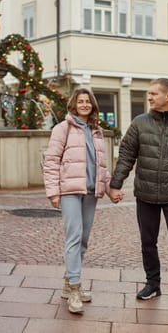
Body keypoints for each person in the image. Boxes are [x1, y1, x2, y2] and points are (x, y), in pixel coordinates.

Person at [109, 78, 168, 313]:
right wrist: (115, 184)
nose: (149, 97)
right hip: (146, 194)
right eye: (148, 93)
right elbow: (126, 156)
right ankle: (153, 284)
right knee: (147, 243)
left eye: (153, 93)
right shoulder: (140, 123)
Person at [43, 88, 121, 314]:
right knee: (74, 237)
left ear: (93, 105)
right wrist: (53, 192)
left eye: (88, 101)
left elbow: (102, 168)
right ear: (73, 105)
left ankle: (69, 284)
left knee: (83, 240)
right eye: (81, 101)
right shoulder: (63, 128)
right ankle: (75, 289)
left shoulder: (96, 131)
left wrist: (110, 190)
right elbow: (51, 161)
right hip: (69, 191)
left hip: (90, 192)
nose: (85, 104)